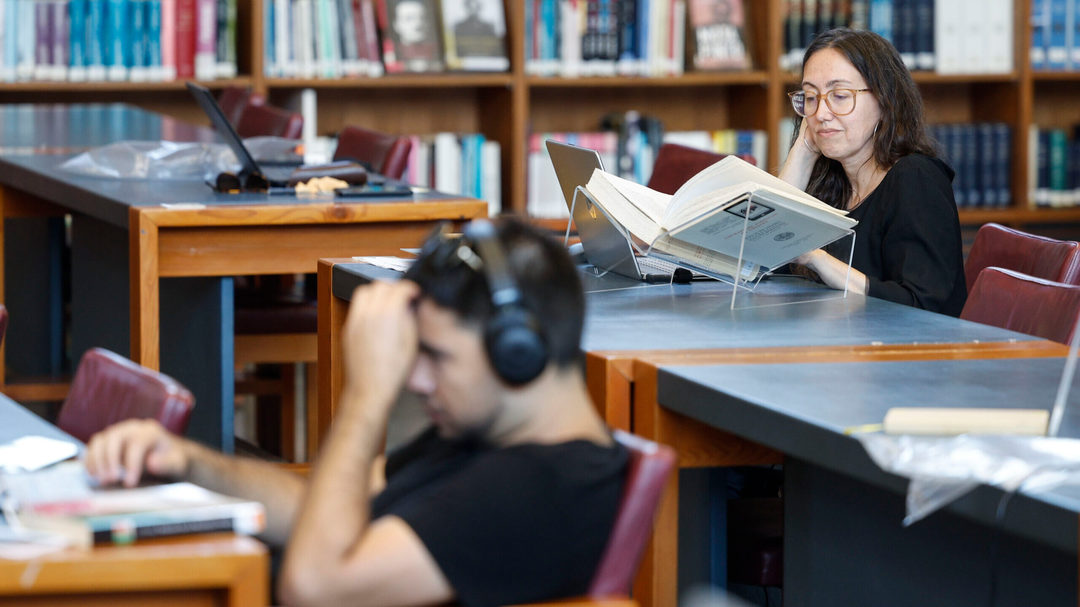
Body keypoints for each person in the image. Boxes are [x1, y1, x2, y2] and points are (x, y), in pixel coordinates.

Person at [84, 218, 628, 607]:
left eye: (436, 356)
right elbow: (321, 516)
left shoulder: (542, 488)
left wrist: (366, 393)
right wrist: (186, 462)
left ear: (518, 352)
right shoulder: (485, 433)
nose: (416, 380)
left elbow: (315, 586)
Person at [779, 28, 967, 316]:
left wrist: (818, 259)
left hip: (908, 343)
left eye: (839, 96)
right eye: (811, 97)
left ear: (884, 101)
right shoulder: (831, 180)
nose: (821, 114)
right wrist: (802, 152)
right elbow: (762, 262)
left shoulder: (917, 179)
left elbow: (922, 306)